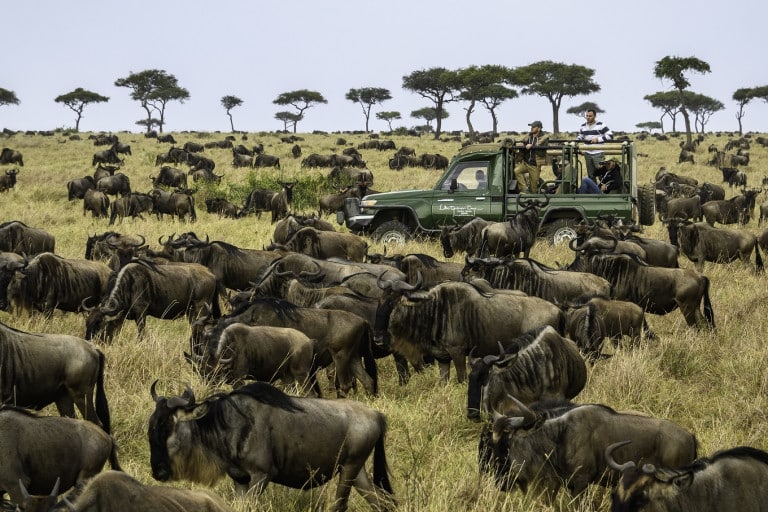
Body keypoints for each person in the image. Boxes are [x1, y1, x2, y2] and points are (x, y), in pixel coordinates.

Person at [513, 120, 550, 193]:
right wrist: (521, 145)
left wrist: (532, 146)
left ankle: (532, 197)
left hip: (535, 165)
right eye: (531, 127)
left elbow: (542, 152)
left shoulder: (544, 138)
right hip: (526, 163)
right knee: (516, 171)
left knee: (534, 186)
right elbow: (522, 142)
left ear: (539, 129)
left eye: (533, 127)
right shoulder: (528, 136)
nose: (531, 128)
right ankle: (524, 190)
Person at [576, 109, 613, 179]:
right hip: (587, 153)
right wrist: (576, 142)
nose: (588, 117)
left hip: (598, 153)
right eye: (587, 116)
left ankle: (603, 189)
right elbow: (580, 136)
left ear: (595, 116)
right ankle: (593, 189)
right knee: (591, 175)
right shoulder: (583, 126)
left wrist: (598, 139)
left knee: (601, 174)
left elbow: (610, 135)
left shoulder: (601, 125)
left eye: (590, 116)